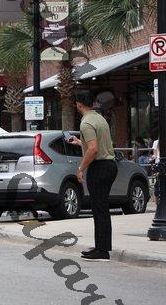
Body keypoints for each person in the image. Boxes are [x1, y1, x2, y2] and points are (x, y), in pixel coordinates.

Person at [69, 91, 117, 262]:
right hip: (110, 165)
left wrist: (81, 168)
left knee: (99, 208)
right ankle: (100, 247)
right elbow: (97, 145)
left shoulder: (86, 122)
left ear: (79, 104)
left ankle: (102, 250)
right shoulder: (99, 118)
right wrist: (79, 142)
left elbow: (94, 149)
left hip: (99, 167)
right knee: (101, 207)